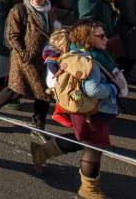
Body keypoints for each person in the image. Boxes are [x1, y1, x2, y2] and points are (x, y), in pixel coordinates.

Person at [29, 21, 121, 199]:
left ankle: (42, 151)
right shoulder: (89, 61)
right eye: (100, 36)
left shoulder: (83, 54)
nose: (106, 39)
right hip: (92, 110)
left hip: (87, 109)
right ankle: (89, 189)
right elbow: (93, 89)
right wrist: (114, 89)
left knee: (84, 140)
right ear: (88, 38)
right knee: (93, 147)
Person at [0, 0, 54, 131]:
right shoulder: (20, 10)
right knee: (15, 91)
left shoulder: (50, 12)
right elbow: (12, 36)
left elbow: (53, 33)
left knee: (44, 94)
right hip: (24, 60)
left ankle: (38, 127)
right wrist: (24, 55)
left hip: (43, 60)